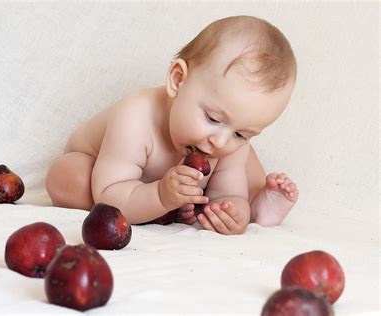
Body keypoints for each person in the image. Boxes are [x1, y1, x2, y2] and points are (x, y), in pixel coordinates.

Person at [45, 15, 299, 235]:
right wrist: (159, 196)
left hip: (172, 188)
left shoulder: (224, 139)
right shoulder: (135, 117)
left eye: (242, 134)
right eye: (212, 119)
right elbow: (108, 194)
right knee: (68, 176)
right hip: (105, 174)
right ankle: (159, 207)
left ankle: (260, 208)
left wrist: (232, 212)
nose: (220, 141)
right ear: (178, 81)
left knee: (246, 165)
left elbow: (228, 193)